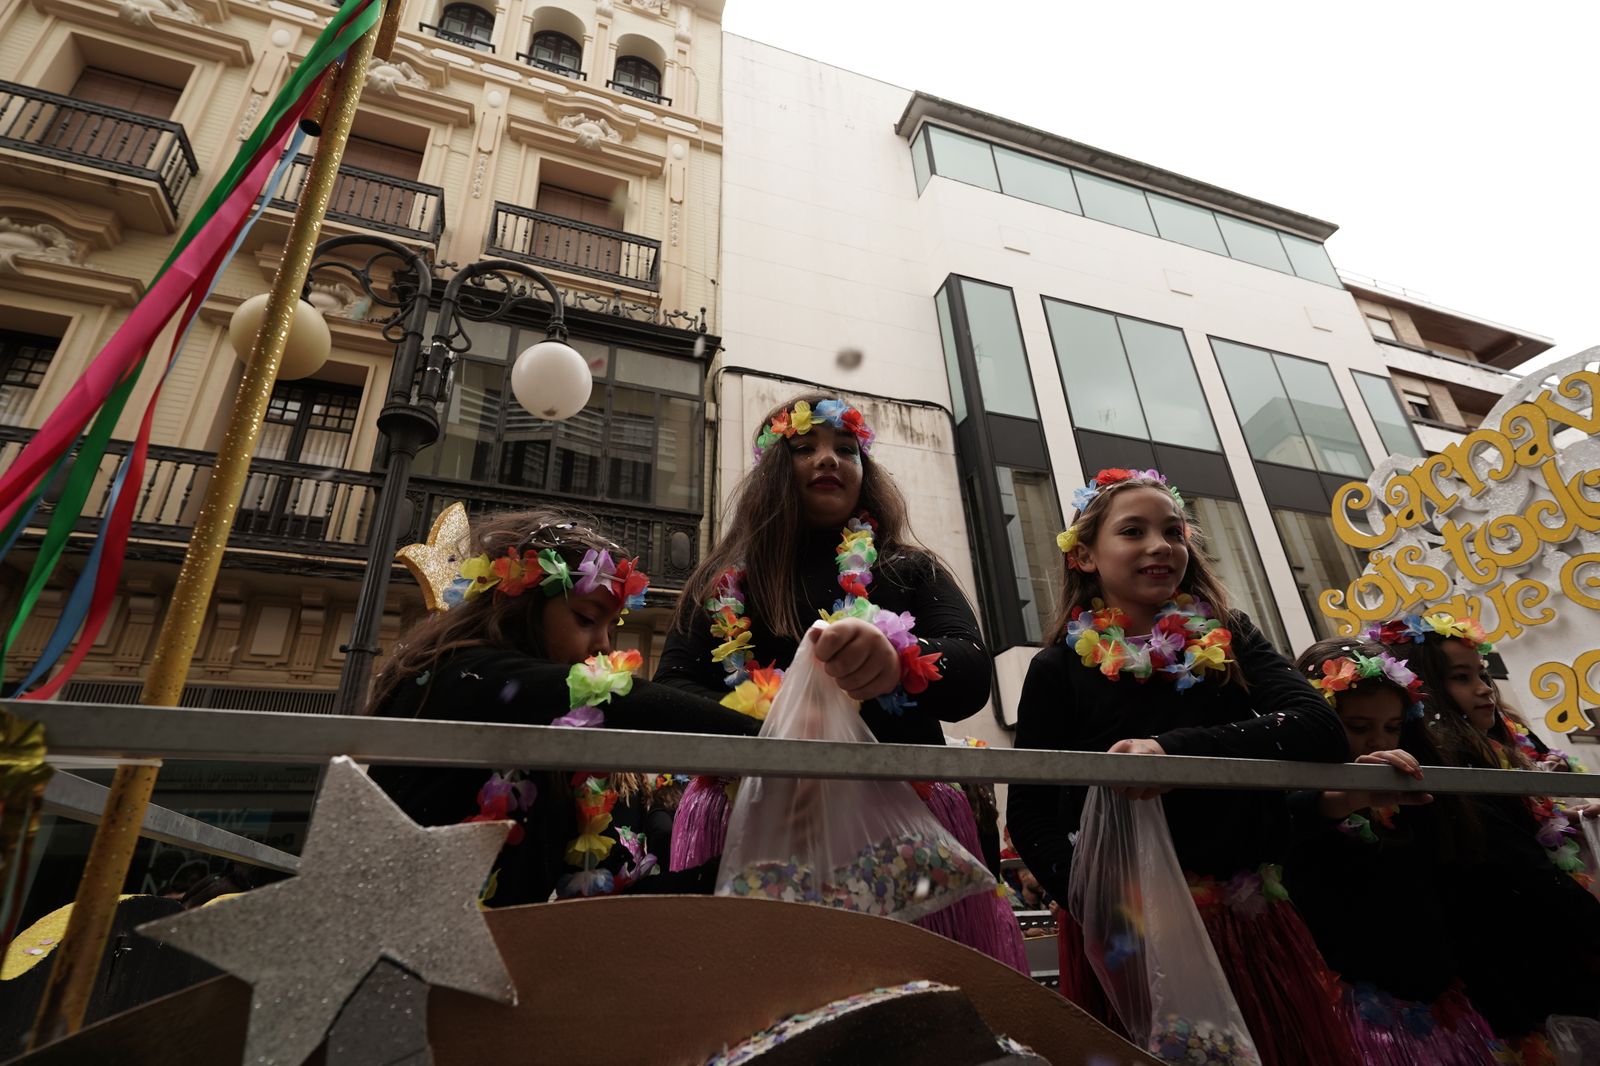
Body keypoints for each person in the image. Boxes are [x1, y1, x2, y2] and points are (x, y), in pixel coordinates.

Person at [654, 394, 1025, 970]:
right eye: (805, 447)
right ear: (773, 471)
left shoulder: (908, 568)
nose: (829, 459)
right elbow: (672, 692)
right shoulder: (719, 581)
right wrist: (777, 726)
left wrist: (898, 657)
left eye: (846, 449)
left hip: (901, 832)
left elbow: (971, 669)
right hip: (755, 827)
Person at [1005, 467, 1359, 1066]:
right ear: (1085, 556)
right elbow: (1031, 808)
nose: (1159, 546)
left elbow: (1319, 728)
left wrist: (1176, 750)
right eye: (1133, 531)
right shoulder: (1057, 668)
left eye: (1173, 531)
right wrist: (1096, 904)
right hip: (1128, 933)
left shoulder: (1232, 637)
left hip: (1244, 918)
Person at [366, 508, 760, 907]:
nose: (604, 645)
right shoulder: (462, 673)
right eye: (586, 619)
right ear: (522, 607)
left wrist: (731, 875)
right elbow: (627, 698)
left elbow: (591, 903)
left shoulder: (549, 734)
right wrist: (771, 739)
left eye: (610, 626)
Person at [1369, 614, 1600, 1056]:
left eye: (1483, 674)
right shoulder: (1451, 772)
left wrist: (1572, 818)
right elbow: (1519, 867)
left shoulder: (1494, 748)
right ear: (1425, 691)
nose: (1483, 689)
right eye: (1461, 678)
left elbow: (1533, 840)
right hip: (1514, 969)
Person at [1285, 637, 1504, 1065]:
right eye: (1358, 727)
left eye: (1391, 727)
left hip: (1436, 1008)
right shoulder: (1290, 799)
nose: (1377, 743)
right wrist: (1342, 800)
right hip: (1352, 1021)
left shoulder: (1415, 794)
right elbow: (1293, 820)